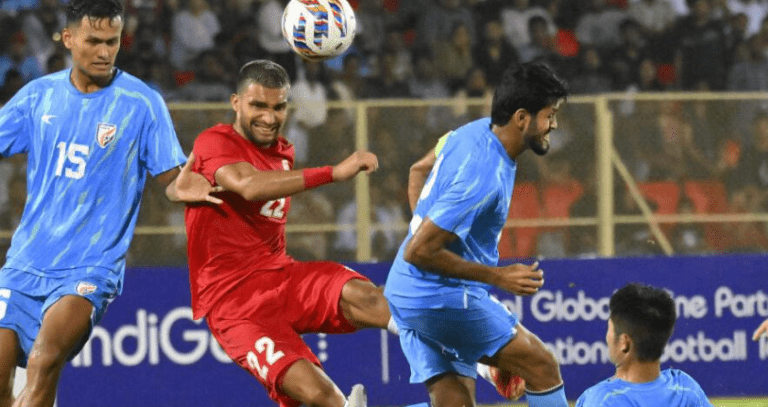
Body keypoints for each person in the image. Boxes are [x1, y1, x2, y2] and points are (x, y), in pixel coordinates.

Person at [0, 1, 221, 406]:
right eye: (94, 41)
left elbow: (171, 177)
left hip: (88, 268)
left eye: (112, 41)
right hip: (23, 264)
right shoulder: (38, 96)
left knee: (45, 359)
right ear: (69, 39)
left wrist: (182, 187)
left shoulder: (141, 103)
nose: (104, 52)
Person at [183, 59, 386, 407]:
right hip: (234, 306)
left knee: (370, 298)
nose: (269, 117)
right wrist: (333, 173)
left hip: (283, 277)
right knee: (323, 396)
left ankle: (471, 357)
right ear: (236, 103)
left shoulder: (283, 153)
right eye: (258, 106)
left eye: (278, 107)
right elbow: (248, 185)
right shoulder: (214, 141)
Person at [384, 62, 570, 407]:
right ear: (522, 118)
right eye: (550, 115)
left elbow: (418, 170)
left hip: (405, 289)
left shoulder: (470, 132)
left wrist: (423, 226)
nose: (554, 125)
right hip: (439, 298)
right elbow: (418, 251)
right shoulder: (484, 176)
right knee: (541, 365)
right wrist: (497, 276)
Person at [576, 283, 714, 407]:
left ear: (625, 343)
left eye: (610, 328)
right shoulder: (686, 389)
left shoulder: (600, 400)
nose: (607, 337)